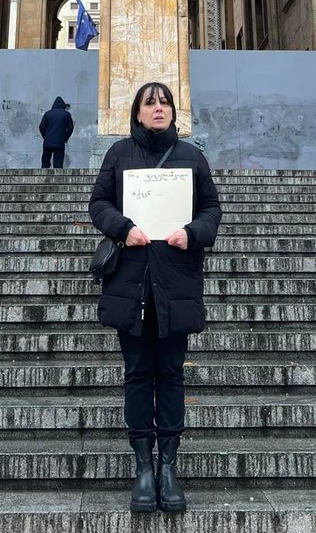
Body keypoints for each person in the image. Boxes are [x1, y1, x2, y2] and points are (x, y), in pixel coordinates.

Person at [88, 81, 222, 514]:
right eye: (150, 103)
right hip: (132, 283)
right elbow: (98, 203)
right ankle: (143, 466)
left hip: (175, 282)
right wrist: (123, 228)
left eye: (164, 102)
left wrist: (194, 233)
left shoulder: (191, 156)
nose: (159, 108)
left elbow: (211, 209)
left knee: (172, 375)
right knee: (137, 375)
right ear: (138, 113)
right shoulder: (119, 155)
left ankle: (168, 467)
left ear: (172, 111)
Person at [38, 95, 73, 168]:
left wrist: (46, 136)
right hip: (60, 142)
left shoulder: (48, 114)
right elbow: (70, 128)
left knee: (45, 164)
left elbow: (41, 127)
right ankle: (58, 179)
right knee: (58, 166)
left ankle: (44, 178)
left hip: (48, 143)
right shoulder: (66, 114)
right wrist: (65, 138)